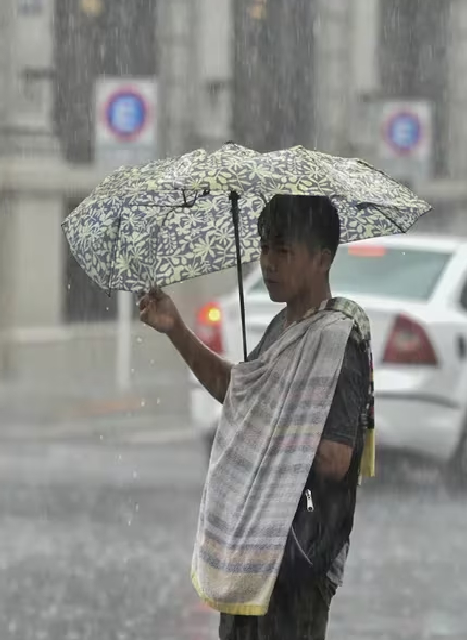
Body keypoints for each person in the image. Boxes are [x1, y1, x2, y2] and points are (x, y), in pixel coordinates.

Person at [139, 194, 373, 640]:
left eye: (282, 250)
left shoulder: (338, 340)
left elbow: (336, 459)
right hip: (252, 550)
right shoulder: (281, 330)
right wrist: (176, 329)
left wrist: (268, 430)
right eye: (264, 247)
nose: (267, 262)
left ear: (321, 259)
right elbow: (238, 395)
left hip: (297, 558)